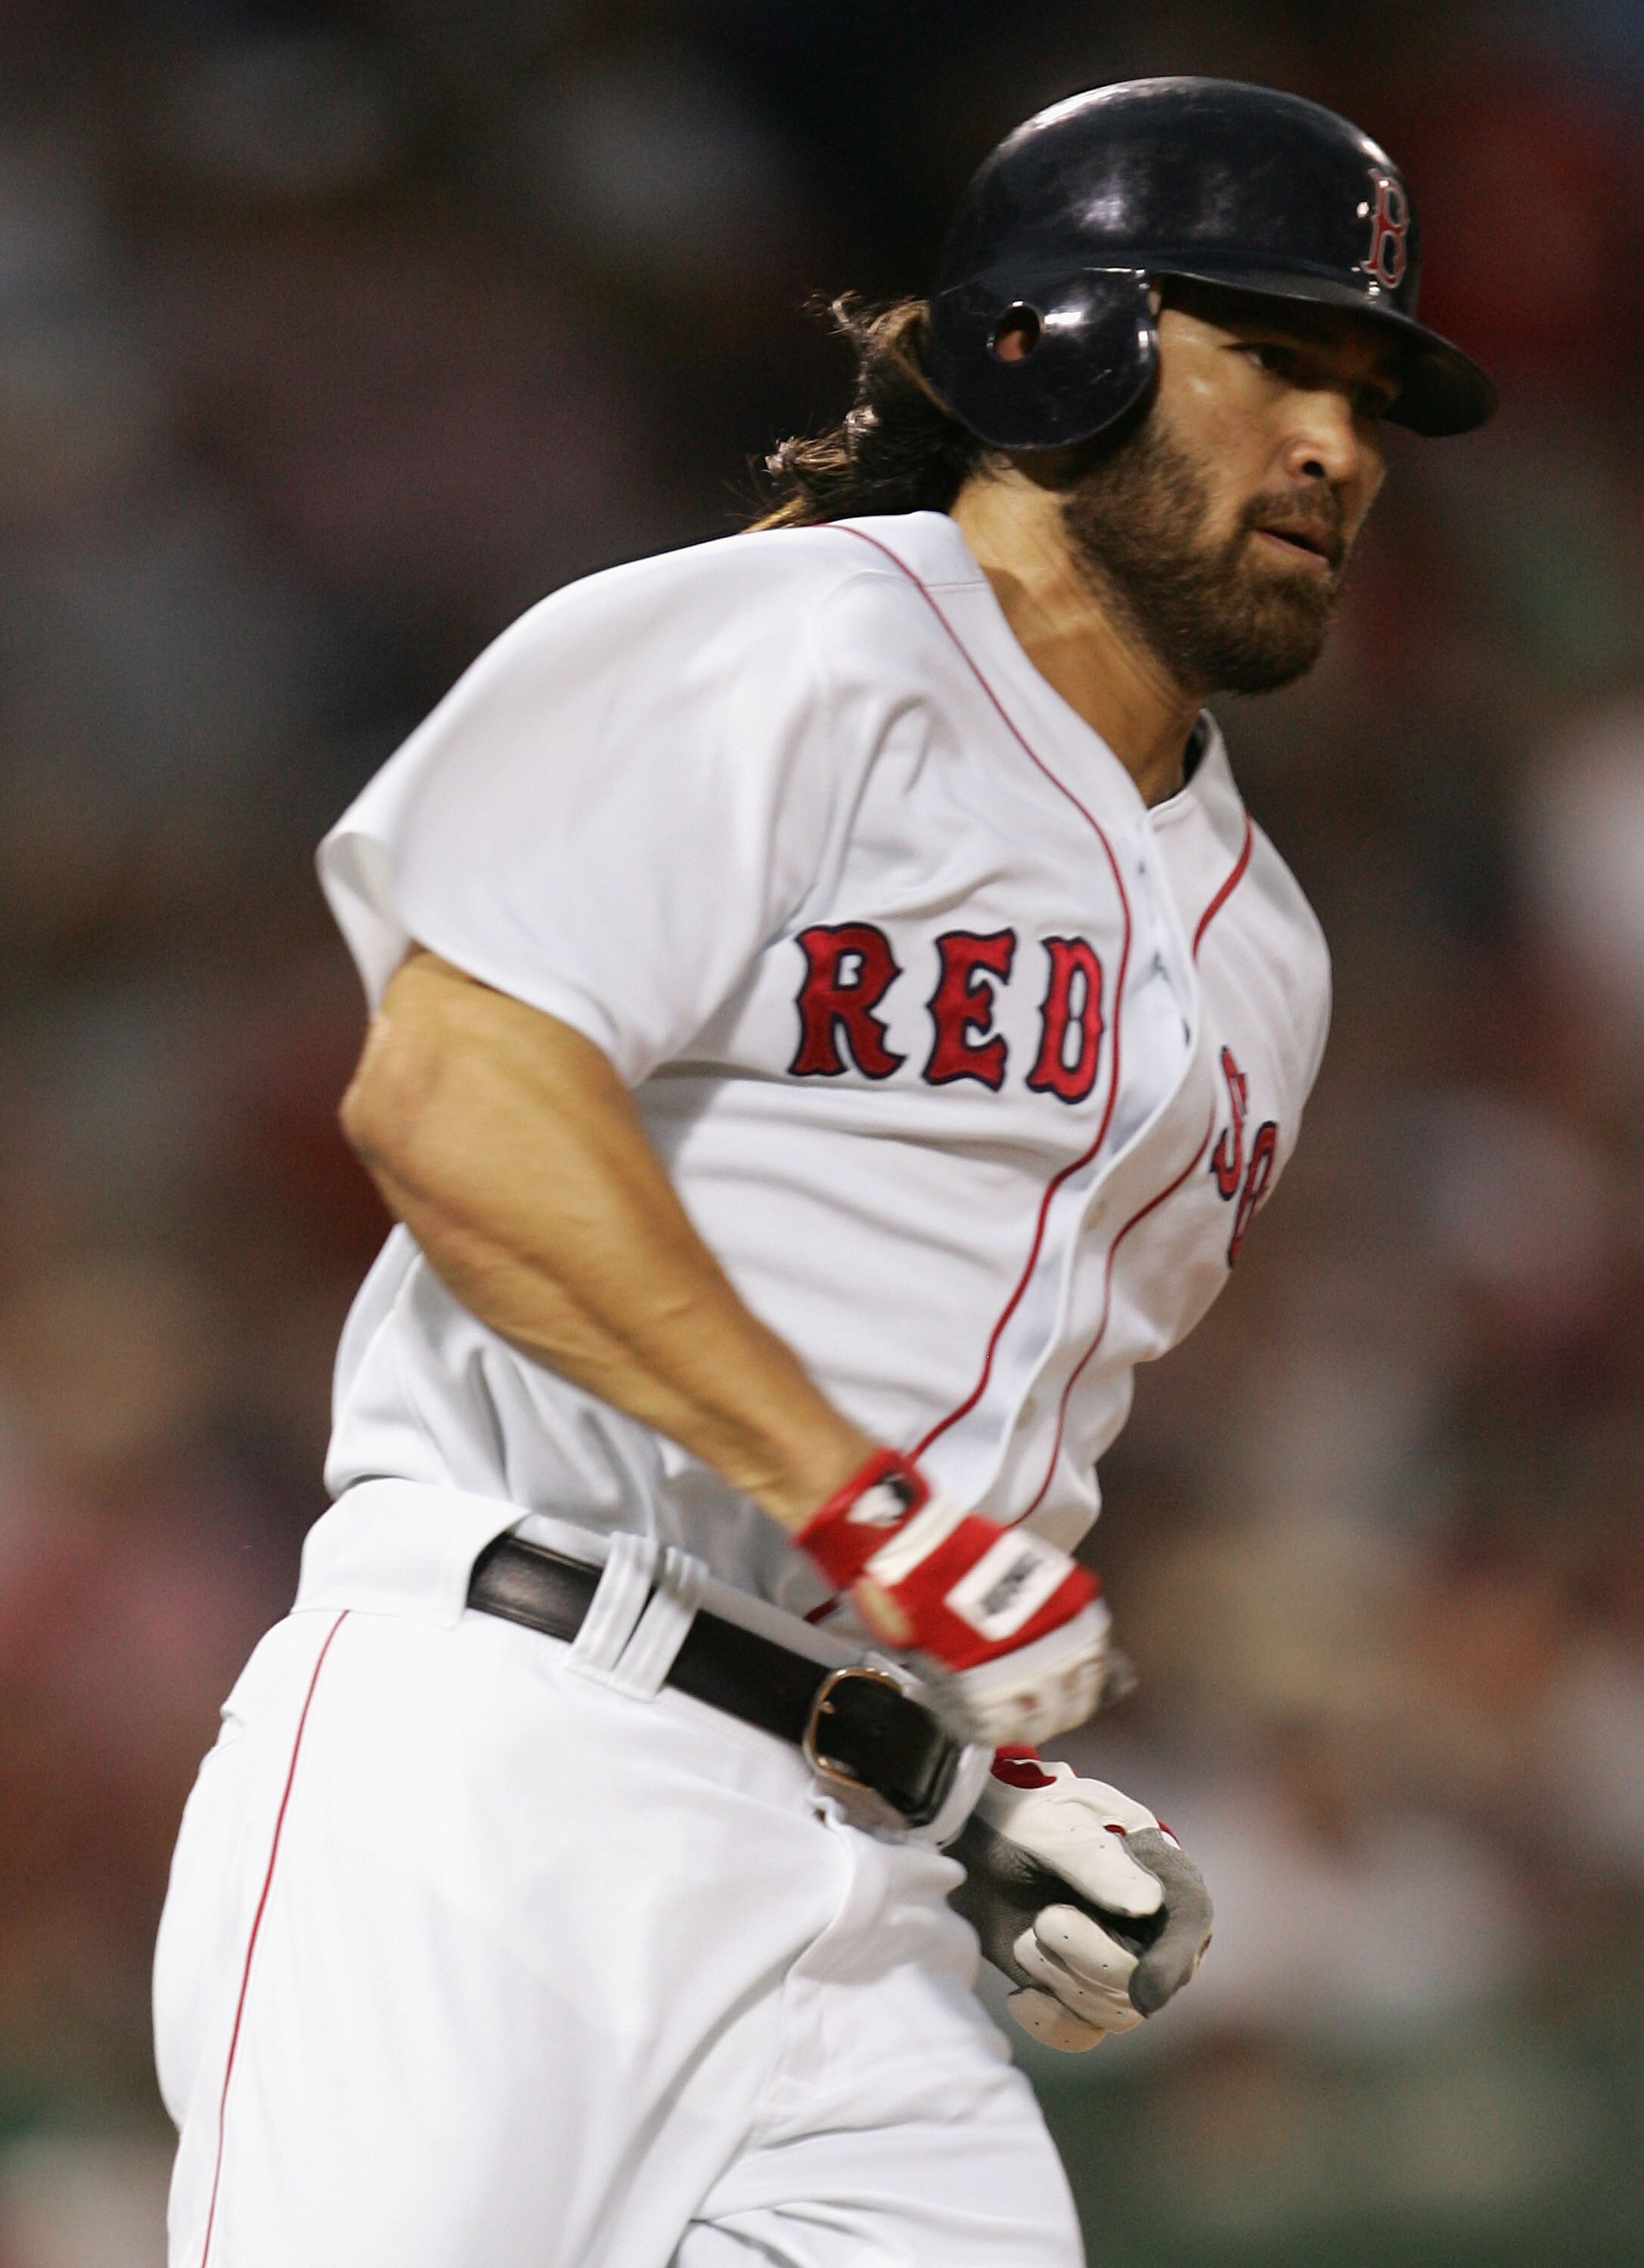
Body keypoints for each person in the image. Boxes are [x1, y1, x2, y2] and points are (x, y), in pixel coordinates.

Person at [152, 78, 1494, 2268]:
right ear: (1059, 342)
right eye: (1276, 358)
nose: (1341, 445)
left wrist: (994, 1793)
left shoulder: (1269, 949)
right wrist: (871, 1516)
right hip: (507, 1760)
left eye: (1372, 390)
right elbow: (453, 1099)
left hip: (863, 1900)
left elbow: (987, 1476)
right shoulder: (778, 649)